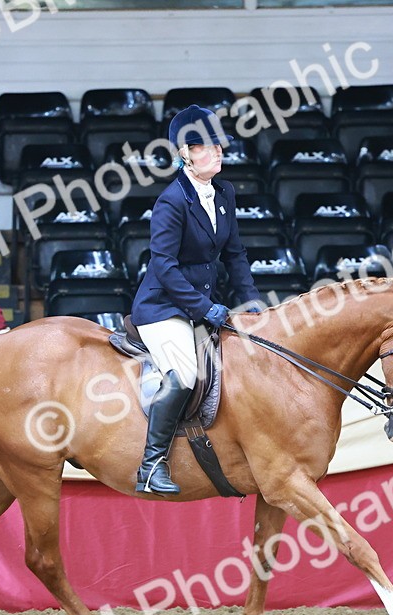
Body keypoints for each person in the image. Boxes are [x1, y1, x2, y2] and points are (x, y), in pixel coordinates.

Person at [130, 104, 265, 495]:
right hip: (163, 307)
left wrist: (251, 302)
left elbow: (235, 254)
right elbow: (165, 266)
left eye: (220, 145)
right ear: (186, 153)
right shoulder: (171, 201)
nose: (219, 151)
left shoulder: (224, 193)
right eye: (208, 146)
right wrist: (204, 308)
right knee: (186, 374)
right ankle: (151, 466)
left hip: (201, 305)